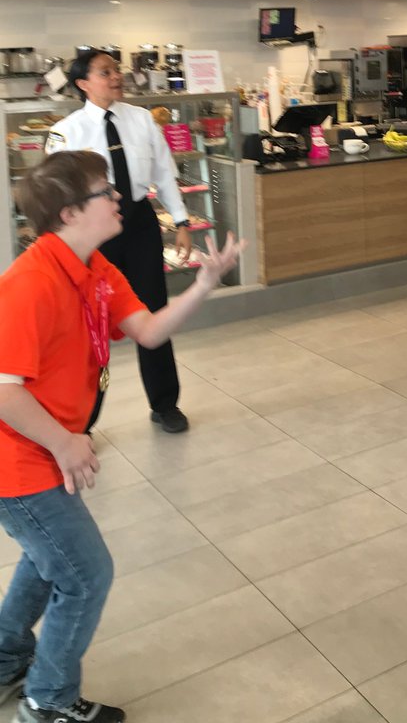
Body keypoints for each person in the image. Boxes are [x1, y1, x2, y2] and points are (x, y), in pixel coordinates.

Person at [0, 150, 243, 722]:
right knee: (86, 575)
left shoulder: (94, 269)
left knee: (48, 559)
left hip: (45, 445)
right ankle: (47, 701)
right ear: (68, 213)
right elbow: (4, 392)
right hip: (16, 457)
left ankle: (7, 658)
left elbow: (150, 331)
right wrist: (64, 441)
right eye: (104, 193)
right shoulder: (28, 284)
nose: (118, 199)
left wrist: (205, 282)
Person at [45, 50, 192, 433]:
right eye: (105, 71)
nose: (116, 76)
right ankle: (83, 418)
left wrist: (181, 220)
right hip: (93, 234)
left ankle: (165, 403)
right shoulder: (68, 131)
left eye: (116, 70)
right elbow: (56, 197)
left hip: (141, 225)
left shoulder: (141, 119)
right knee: (89, 327)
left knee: (153, 311)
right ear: (82, 83)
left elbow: (163, 172)